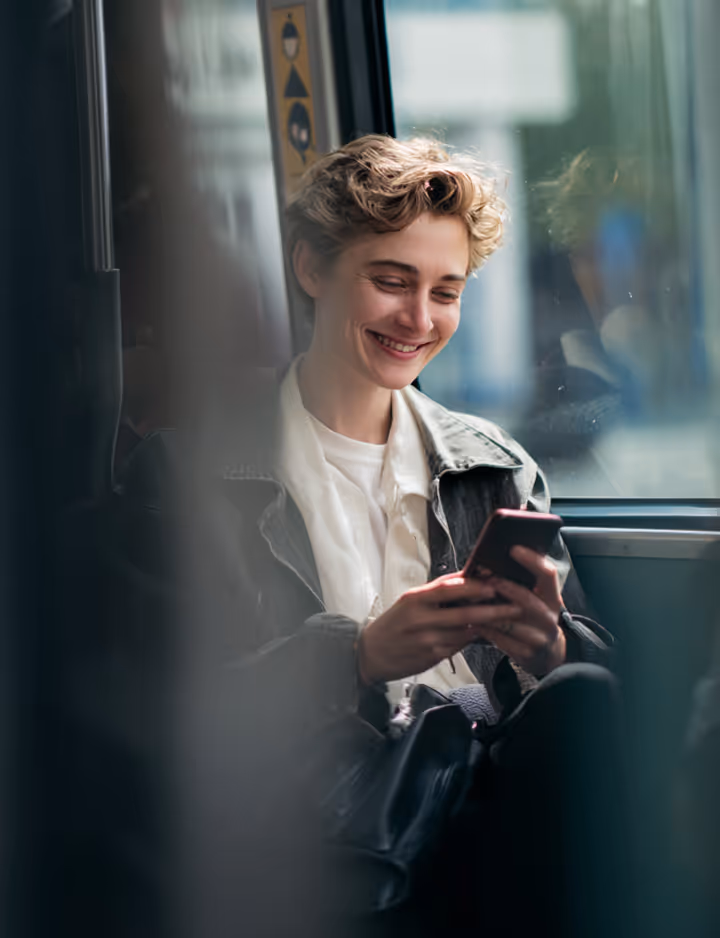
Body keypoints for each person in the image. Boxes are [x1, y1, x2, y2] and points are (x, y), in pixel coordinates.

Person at [207, 134, 628, 937]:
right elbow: (180, 702)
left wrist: (547, 651)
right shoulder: (203, 471)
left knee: (582, 693)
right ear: (310, 270)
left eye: (447, 291)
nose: (419, 319)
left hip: (475, 788)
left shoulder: (495, 468)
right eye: (391, 281)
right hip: (321, 813)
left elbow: (592, 696)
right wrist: (360, 655)